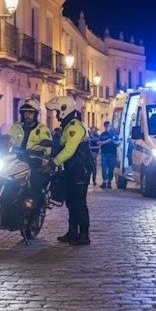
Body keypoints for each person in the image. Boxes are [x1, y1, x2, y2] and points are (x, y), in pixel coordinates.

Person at [46, 95, 95, 245]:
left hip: (80, 170)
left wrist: (53, 162)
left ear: (64, 110)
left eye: (56, 111)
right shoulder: (67, 127)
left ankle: (84, 235)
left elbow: (69, 150)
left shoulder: (75, 127)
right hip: (71, 170)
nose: (55, 115)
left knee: (79, 203)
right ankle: (73, 232)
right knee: (71, 202)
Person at [8, 99, 53, 202]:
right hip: (15, 160)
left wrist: (41, 154)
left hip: (33, 162)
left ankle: (34, 209)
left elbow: (48, 149)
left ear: (36, 114)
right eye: (25, 112)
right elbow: (7, 139)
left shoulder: (42, 129)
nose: (27, 115)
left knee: (35, 184)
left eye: (30, 112)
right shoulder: (15, 127)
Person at [98, 121, 118, 189]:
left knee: (111, 169)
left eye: (108, 126)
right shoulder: (102, 134)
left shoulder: (113, 133)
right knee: (104, 169)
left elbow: (114, 140)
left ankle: (109, 182)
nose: (107, 127)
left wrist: (103, 142)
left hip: (112, 154)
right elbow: (98, 142)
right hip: (104, 153)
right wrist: (105, 141)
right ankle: (104, 182)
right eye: (106, 126)